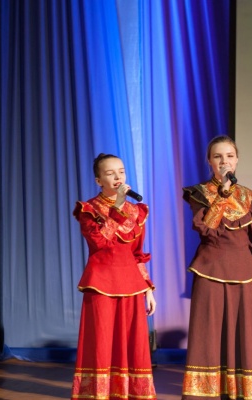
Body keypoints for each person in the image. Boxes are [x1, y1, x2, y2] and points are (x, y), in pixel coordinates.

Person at [181, 135, 252, 399]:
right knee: (207, 337)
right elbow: (207, 229)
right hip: (210, 270)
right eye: (218, 157)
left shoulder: (249, 197)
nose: (224, 162)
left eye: (229, 156)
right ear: (209, 161)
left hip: (244, 275)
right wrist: (222, 194)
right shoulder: (199, 193)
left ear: (237, 159)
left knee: (242, 339)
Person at [71, 153, 157, 399]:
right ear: (99, 181)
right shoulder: (88, 209)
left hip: (132, 284)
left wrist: (148, 289)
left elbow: (137, 254)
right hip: (101, 284)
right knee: (101, 342)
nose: (118, 176)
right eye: (110, 173)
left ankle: (129, 393)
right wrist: (117, 206)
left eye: (121, 171)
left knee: (132, 344)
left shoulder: (137, 211)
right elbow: (99, 242)